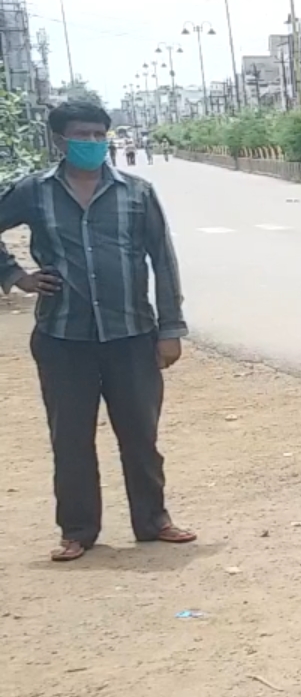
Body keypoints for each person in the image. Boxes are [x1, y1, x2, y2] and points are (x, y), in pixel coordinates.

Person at [0, 102, 192, 563]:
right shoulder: (34, 192)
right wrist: (15, 275)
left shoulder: (137, 193)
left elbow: (162, 261)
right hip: (63, 337)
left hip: (131, 335)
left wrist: (170, 329)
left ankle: (153, 520)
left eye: (97, 134)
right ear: (59, 141)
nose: (90, 142)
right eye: (80, 135)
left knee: (140, 434)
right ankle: (78, 531)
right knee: (70, 437)